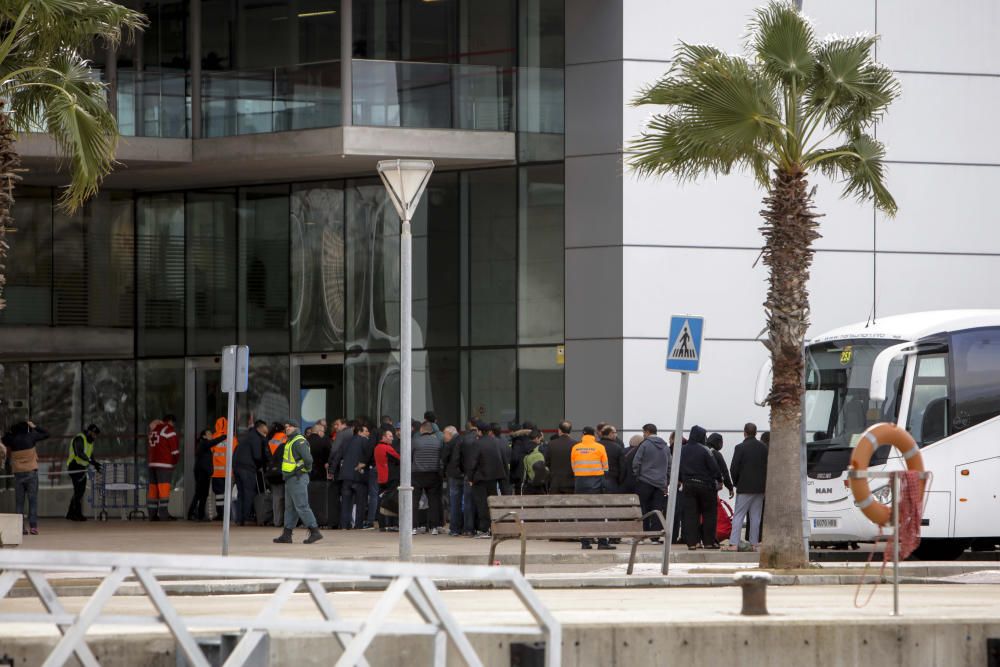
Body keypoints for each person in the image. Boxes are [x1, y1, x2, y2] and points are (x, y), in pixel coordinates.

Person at [273, 420, 323, 544]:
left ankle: (315, 531)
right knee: (290, 508)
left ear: (296, 427)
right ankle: (287, 534)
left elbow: (308, 459)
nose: (287, 428)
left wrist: (301, 470)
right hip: (291, 478)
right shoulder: (291, 440)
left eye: (289, 426)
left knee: (302, 506)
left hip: (297, 478)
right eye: (286, 427)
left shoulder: (298, 440)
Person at [727, 422, 769, 551]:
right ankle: (754, 544)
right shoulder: (764, 448)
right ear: (755, 433)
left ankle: (734, 543)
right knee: (756, 516)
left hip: (744, 487)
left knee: (739, 515)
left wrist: (736, 482)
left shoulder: (740, 447)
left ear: (744, 432)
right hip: (760, 488)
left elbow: (733, 468)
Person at [679, 425, 722, 550]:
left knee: (691, 515)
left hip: (688, 485)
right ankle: (708, 542)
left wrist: (681, 479)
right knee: (709, 514)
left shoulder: (682, 449)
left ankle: (693, 543)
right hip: (706, 486)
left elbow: (677, 466)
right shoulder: (705, 450)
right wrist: (719, 480)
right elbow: (714, 468)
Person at [571, 426, 612, 550]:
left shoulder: (575, 447)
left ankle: (585, 542)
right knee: (599, 513)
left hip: (580, 483)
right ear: (593, 434)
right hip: (596, 483)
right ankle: (602, 542)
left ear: (583, 435)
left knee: (583, 513)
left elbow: (573, 466)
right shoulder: (599, 447)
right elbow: (606, 467)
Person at [468, 422, 507, 538]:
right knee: (492, 504)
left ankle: (484, 529)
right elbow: (502, 459)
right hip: (494, 478)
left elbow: (472, 462)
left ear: (479, 431)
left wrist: (470, 478)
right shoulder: (496, 442)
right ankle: (493, 528)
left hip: (480, 478)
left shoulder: (477, 443)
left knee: (482, 505)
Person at [8, 421, 48, 534]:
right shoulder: (31, 436)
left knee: (19, 503)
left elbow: (4, 437)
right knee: (33, 501)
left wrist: (11, 430)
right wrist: (35, 426)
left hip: (18, 474)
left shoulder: (12, 439)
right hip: (31, 473)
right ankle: (33, 527)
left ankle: (20, 528)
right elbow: (47, 434)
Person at [631, 424, 669, 540]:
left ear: (647, 432)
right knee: (657, 510)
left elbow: (636, 462)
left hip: (645, 481)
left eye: (643, 432)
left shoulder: (645, 445)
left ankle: (643, 535)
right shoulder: (665, 447)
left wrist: (637, 475)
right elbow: (670, 465)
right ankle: (655, 537)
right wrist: (665, 479)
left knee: (643, 508)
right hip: (660, 484)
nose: (643, 435)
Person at [331, 422, 370, 529]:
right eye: (366, 431)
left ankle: (344, 525)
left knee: (346, 503)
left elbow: (337, 456)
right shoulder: (365, 441)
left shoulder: (346, 441)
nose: (368, 433)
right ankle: (358, 525)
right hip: (359, 476)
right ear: (360, 432)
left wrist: (332, 471)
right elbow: (369, 456)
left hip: (345, 476)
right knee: (360, 503)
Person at [412, 420, 443, 534]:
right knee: (433, 501)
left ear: (421, 429)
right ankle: (434, 527)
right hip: (433, 473)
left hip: (417, 473)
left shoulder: (415, 441)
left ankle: (413, 527)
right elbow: (441, 458)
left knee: (414, 501)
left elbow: (410, 456)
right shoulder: (438, 442)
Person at [233, 420, 267, 525]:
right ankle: (247, 518)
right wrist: (261, 465)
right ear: (260, 428)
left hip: (238, 467)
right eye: (266, 427)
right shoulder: (255, 438)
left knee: (241, 494)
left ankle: (239, 519)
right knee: (248, 493)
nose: (267, 429)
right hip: (247, 469)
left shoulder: (247, 436)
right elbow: (257, 456)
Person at [146, 415, 179, 521]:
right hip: (164, 464)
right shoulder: (169, 430)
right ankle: (164, 515)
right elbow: (174, 451)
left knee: (153, 490)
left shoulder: (154, 430)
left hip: (152, 464)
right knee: (163, 490)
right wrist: (174, 462)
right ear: (170, 421)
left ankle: (152, 515)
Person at [66, 424, 102, 522]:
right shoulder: (79, 438)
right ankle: (76, 514)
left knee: (80, 491)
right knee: (79, 491)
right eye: (94, 434)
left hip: (82, 467)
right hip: (74, 466)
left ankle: (70, 514)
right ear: (90, 432)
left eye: (96, 435)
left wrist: (95, 464)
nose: (95, 437)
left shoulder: (90, 442)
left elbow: (90, 454)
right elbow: (79, 453)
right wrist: (91, 461)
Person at [189, 427, 225, 521]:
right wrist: (224, 436)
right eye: (209, 434)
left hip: (204, 473)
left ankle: (199, 515)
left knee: (202, 494)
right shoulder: (204, 443)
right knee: (199, 494)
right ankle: (193, 513)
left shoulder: (204, 445)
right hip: (202, 473)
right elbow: (214, 442)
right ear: (204, 436)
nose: (211, 435)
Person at [373, 425, 401, 531]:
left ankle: (382, 524)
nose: (392, 438)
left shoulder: (377, 447)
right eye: (390, 436)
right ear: (383, 437)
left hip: (381, 477)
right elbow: (400, 459)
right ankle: (393, 523)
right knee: (393, 500)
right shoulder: (387, 448)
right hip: (390, 477)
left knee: (381, 500)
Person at [458, 420, 482, 536]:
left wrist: (464, 471)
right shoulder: (480, 439)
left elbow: (459, 457)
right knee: (479, 501)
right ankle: (479, 527)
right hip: (480, 474)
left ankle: (468, 528)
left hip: (468, 474)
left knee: (467, 502)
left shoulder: (463, 439)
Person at [306, 422, 332, 528]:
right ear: (319, 432)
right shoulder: (323, 442)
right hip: (320, 475)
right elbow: (329, 456)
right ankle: (320, 522)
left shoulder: (305, 441)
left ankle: (308, 521)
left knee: (308, 500)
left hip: (306, 475)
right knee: (320, 501)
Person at [440, 425, 464, 535]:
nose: (443, 436)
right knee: (465, 502)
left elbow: (444, 457)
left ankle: (454, 528)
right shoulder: (463, 440)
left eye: (444, 433)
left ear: (449, 434)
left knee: (454, 502)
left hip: (454, 475)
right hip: (464, 474)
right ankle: (465, 526)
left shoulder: (450, 444)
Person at [210, 417, 235, 520]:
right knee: (228, 494)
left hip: (216, 472)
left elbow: (210, 451)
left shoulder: (214, 437)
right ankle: (229, 515)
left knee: (219, 495)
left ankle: (221, 515)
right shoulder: (233, 438)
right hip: (229, 472)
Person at [265, 424, 288, 527]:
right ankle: (282, 521)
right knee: (283, 498)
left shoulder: (270, 439)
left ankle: (276, 521)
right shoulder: (285, 440)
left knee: (276, 498)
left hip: (273, 472)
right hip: (282, 473)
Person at [543, 421, 576, 494]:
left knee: (555, 505)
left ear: (559, 430)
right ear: (570, 431)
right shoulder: (576, 445)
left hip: (555, 482)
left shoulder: (551, 444)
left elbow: (546, 462)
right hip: (571, 483)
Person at [598, 425, 627, 494]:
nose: (616, 435)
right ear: (610, 434)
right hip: (612, 480)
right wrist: (619, 481)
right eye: (615, 432)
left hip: (596, 480)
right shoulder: (617, 448)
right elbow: (623, 467)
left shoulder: (596, 446)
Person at [508, 422, 534, 494]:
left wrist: (512, 470)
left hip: (520, 475)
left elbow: (514, 458)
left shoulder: (518, 441)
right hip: (533, 476)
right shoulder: (535, 441)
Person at [707, 433, 734, 499]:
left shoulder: (700, 449)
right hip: (710, 487)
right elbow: (724, 472)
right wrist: (730, 487)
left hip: (692, 486)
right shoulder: (716, 454)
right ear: (717, 442)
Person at [520, 430, 548, 495]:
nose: (540, 441)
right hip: (540, 485)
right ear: (536, 438)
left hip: (527, 484)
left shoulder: (522, 448)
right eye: (540, 439)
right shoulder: (540, 449)